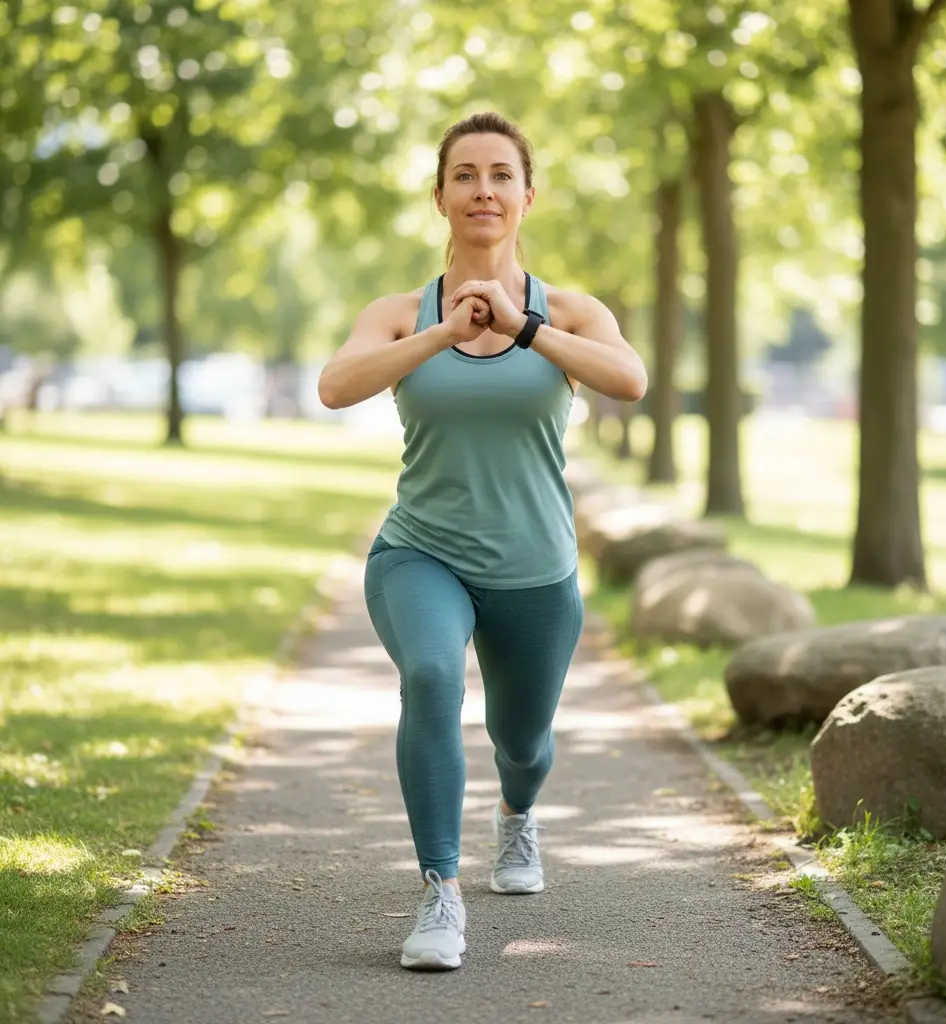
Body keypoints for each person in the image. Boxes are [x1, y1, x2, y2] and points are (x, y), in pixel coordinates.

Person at [317, 111, 647, 971]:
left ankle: (518, 818)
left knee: (523, 742)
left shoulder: (569, 312)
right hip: (421, 553)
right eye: (465, 175)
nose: (483, 190)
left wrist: (523, 327)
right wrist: (444, 333)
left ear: (527, 195)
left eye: (501, 175)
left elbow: (630, 379)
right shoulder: (399, 313)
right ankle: (439, 893)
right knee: (430, 677)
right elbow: (334, 386)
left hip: (537, 570)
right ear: (440, 198)